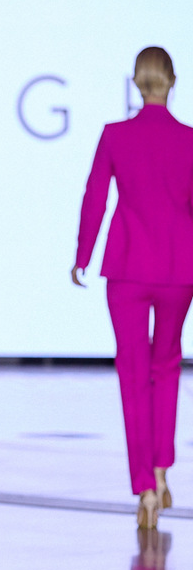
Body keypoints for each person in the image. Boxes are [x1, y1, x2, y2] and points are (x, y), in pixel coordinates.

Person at [72, 47, 193, 529]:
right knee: (166, 367)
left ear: (137, 83)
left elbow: (95, 197)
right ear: (172, 81)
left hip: (127, 267)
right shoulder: (189, 140)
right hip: (179, 268)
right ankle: (161, 470)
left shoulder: (115, 135)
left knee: (133, 373)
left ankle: (144, 485)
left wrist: (83, 255)